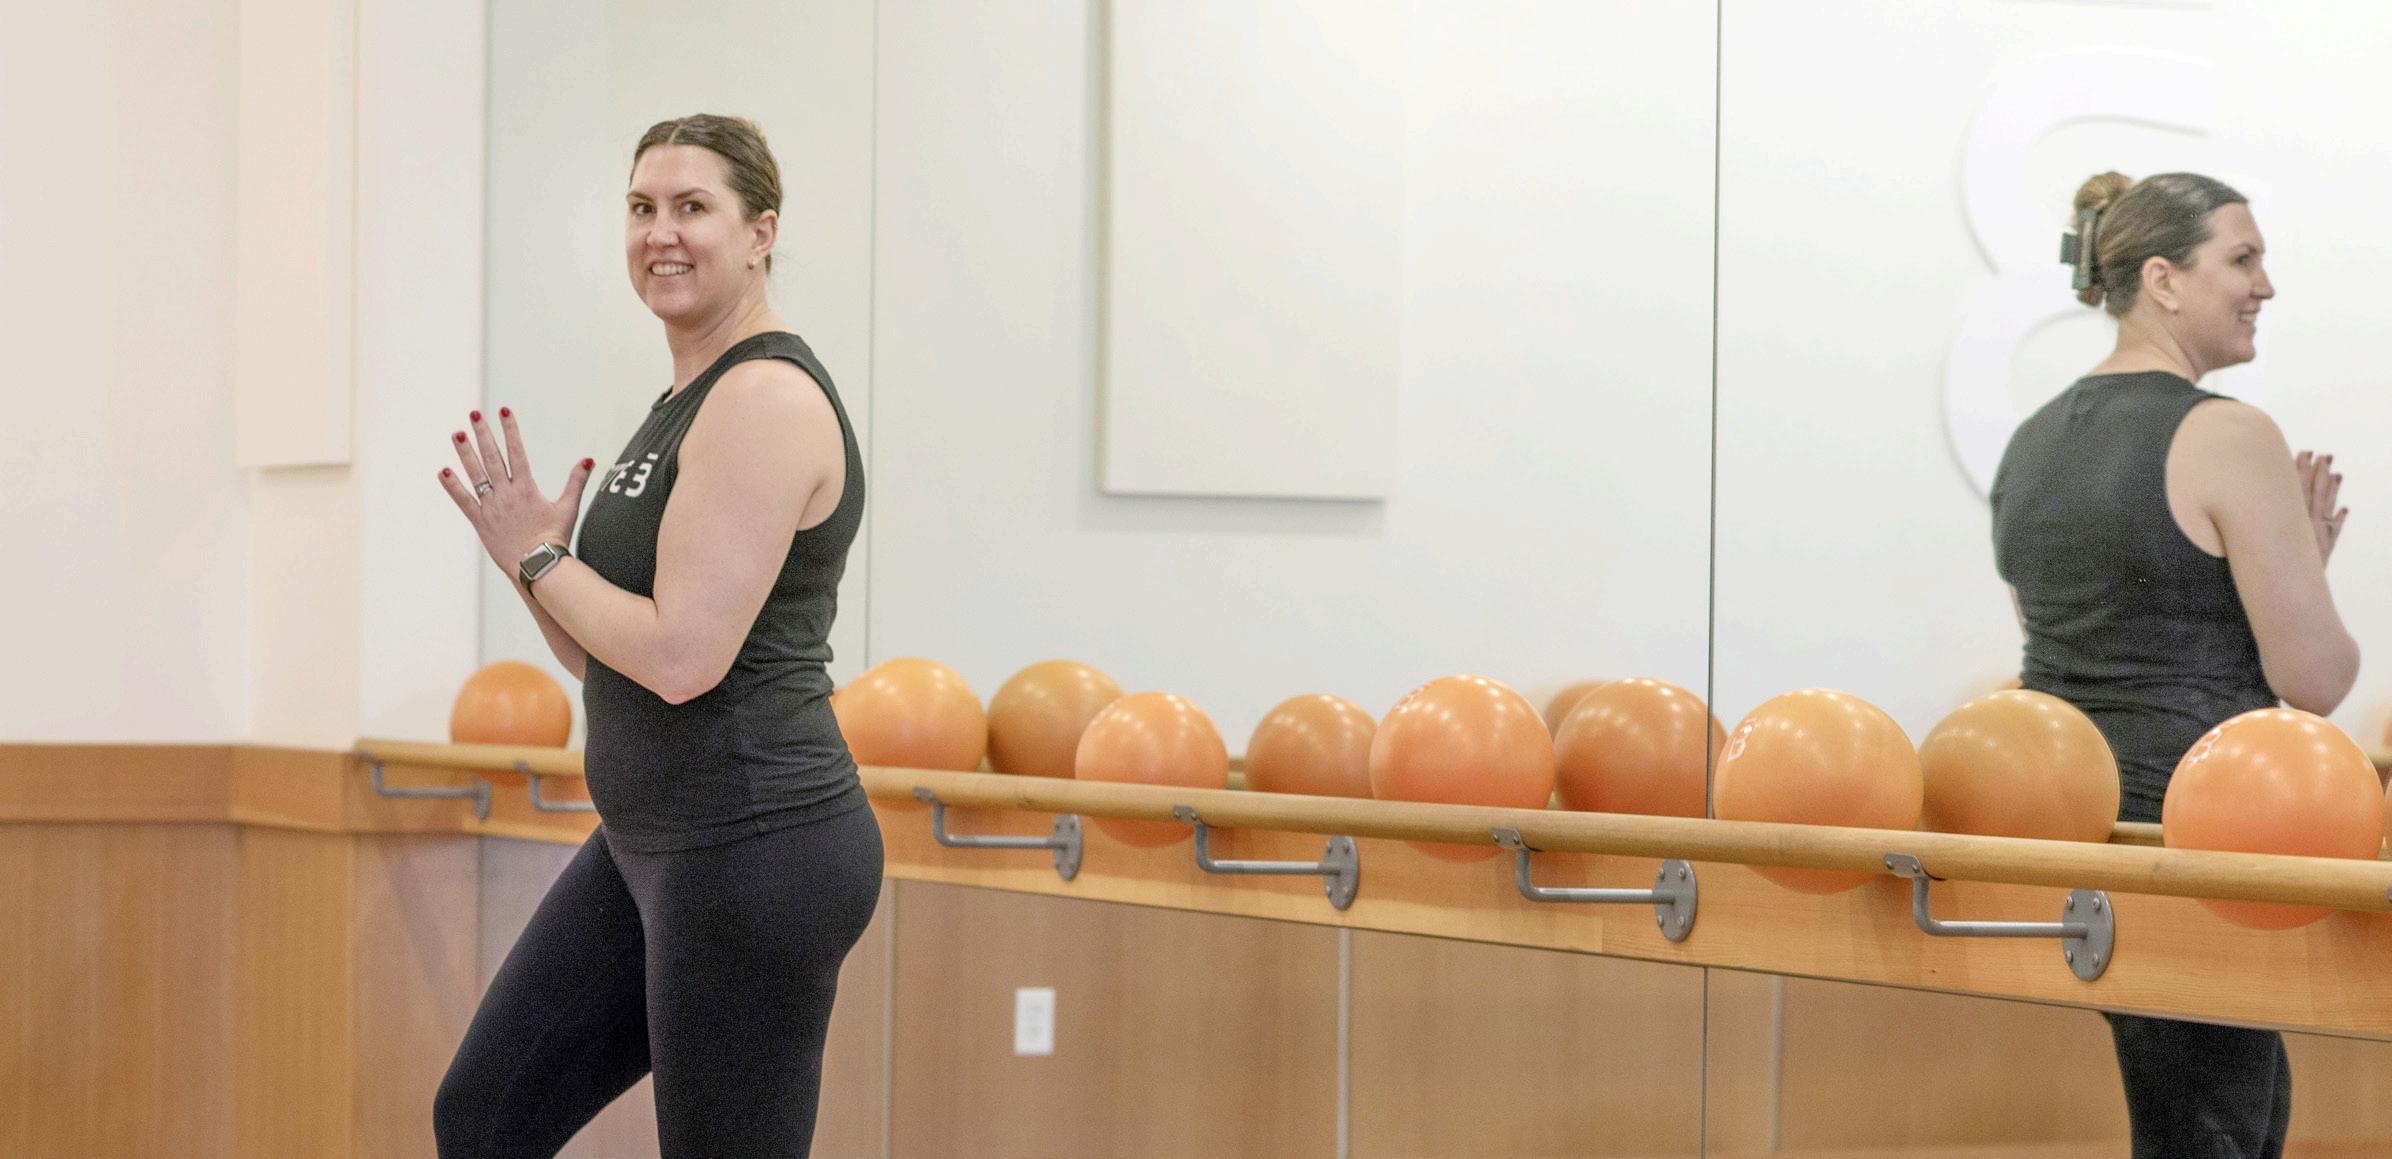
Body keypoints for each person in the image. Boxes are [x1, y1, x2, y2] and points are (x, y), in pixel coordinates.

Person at [430, 113, 881, 1158]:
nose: (659, 232)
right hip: (653, 842)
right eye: (641, 207)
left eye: (692, 207)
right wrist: (530, 560)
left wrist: (544, 558)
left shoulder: (763, 397)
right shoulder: (685, 398)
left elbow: (682, 658)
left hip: (753, 846)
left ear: (760, 232)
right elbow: (611, 660)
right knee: (483, 1117)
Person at [1991, 170, 2358, 1159]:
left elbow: (2081, 643)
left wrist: (2280, 573)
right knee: (2218, 1126)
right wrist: (2301, 574)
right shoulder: (2227, 432)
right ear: (2162, 279)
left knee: (2227, 1113)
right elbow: (2317, 678)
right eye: (2241, 259)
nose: (2264, 285)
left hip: (2080, 836)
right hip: (2195, 840)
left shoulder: (2030, 444)